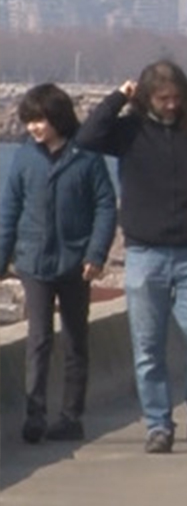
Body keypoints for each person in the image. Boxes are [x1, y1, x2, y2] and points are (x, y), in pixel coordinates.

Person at [76, 60, 187, 454]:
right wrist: (119, 97)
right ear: (147, 98)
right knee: (147, 346)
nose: (172, 105)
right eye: (162, 98)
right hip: (144, 253)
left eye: (177, 98)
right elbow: (86, 138)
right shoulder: (129, 130)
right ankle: (158, 425)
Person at [1, 84, 117, 443]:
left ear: (58, 118)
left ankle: (70, 415)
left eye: (41, 120)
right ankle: (34, 415)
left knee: (74, 339)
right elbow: (10, 210)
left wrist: (96, 254)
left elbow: (105, 206)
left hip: (75, 263)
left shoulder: (86, 156)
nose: (35, 128)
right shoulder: (24, 158)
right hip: (34, 263)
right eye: (30, 121)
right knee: (38, 338)